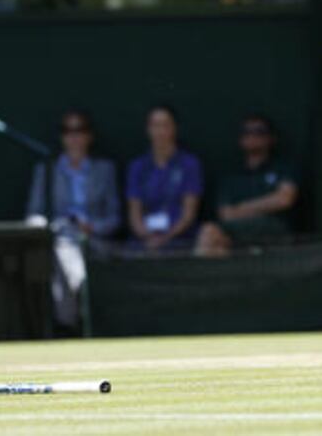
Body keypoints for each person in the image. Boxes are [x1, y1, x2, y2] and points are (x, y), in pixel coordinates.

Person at [26, 110, 120, 331]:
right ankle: (71, 322)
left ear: (89, 136)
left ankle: (77, 319)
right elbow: (33, 214)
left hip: (95, 239)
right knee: (63, 254)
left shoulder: (105, 170)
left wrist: (92, 227)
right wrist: (47, 229)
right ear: (62, 137)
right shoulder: (46, 171)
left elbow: (114, 217)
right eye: (68, 131)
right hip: (60, 239)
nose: (74, 137)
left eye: (80, 130)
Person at [195, 114, 298, 257]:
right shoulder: (232, 174)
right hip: (236, 233)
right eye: (247, 132)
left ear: (270, 138)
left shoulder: (282, 167)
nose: (252, 136)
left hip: (274, 229)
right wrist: (266, 204)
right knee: (210, 234)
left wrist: (242, 208)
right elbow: (226, 213)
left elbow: (284, 199)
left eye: (259, 132)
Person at [127, 105, 203, 250]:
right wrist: (148, 237)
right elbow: (134, 213)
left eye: (165, 125)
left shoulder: (189, 164)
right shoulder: (138, 166)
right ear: (148, 129)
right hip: (144, 240)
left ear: (174, 128)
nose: (160, 131)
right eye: (155, 125)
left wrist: (166, 237)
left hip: (180, 238)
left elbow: (188, 214)